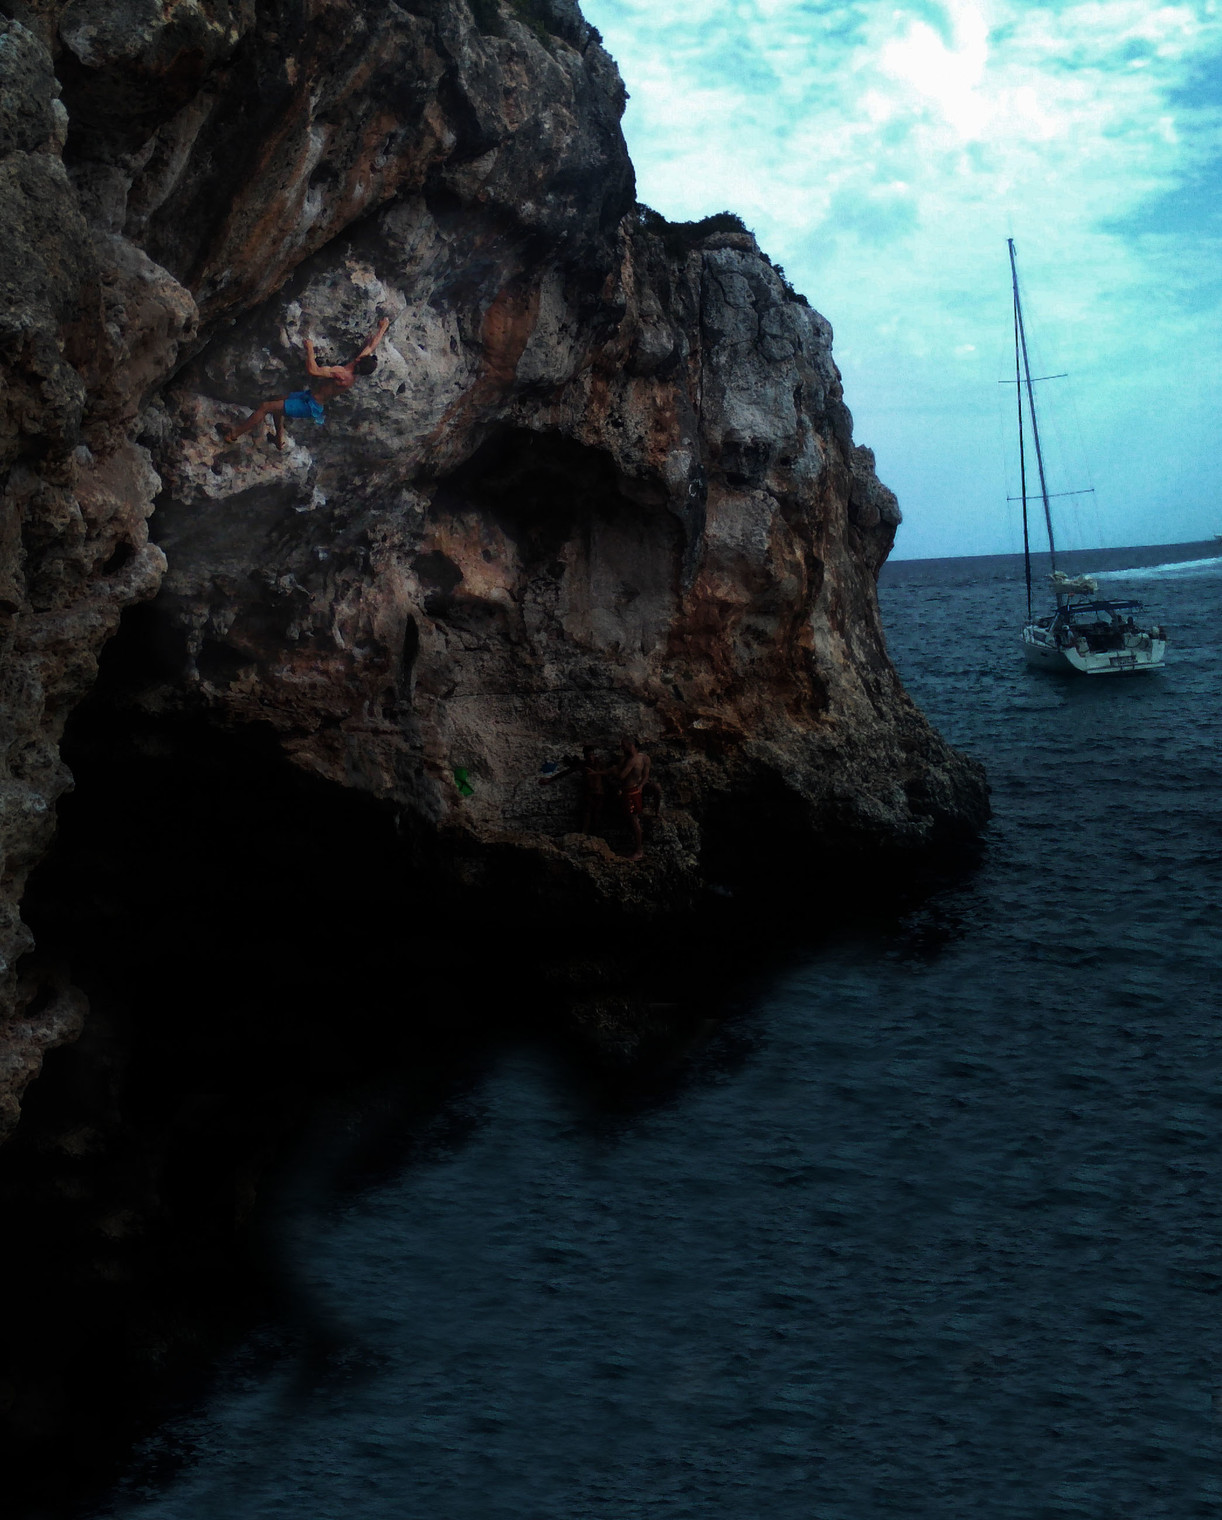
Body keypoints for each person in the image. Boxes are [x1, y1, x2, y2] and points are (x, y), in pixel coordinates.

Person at [223, 315, 391, 448]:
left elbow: (313, 370)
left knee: (266, 407)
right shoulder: (356, 369)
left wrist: (310, 349)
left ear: (360, 360)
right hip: (310, 397)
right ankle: (278, 440)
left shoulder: (342, 374)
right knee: (277, 401)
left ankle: (234, 434)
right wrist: (383, 326)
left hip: (309, 406)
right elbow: (372, 345)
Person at [539, 745, 607, 833]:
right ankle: (584, 833)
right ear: (585, 756)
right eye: (588, 755)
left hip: (599, 793)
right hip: (589, 793)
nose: (590, 757)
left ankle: (597, 834)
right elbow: (567, 772)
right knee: (587, 814)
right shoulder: (583, 765)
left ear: (594, 755)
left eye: (591, 755)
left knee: (597, 814)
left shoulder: (599, 764)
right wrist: (550, 779)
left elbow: (608, 775)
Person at [612, 736, 650, 862]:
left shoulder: (634, 760)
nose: (621, 747)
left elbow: (621, 776)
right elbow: (644, 776)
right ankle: (636, 849)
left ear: (630, 745)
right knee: (632, 820)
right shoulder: (638, 758)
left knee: (634, 821)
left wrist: (611, 770)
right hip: (631, 791)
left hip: (631, 792)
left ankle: (639, 851)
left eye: (623, 745)